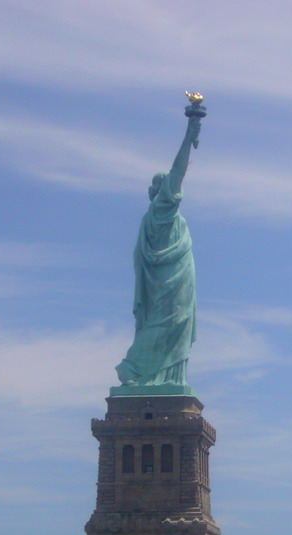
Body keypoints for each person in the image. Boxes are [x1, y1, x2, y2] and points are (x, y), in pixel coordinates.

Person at [115, 109, 203, 388]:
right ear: (161, 191)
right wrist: (191, 130)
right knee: (167, 322)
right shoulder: (162, 211)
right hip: (167, 280)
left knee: (174, 324)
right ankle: (134, 369)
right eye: (167, 186)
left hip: (175, 277)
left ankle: (164, 377)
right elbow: (178, 169)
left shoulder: (155, 217)